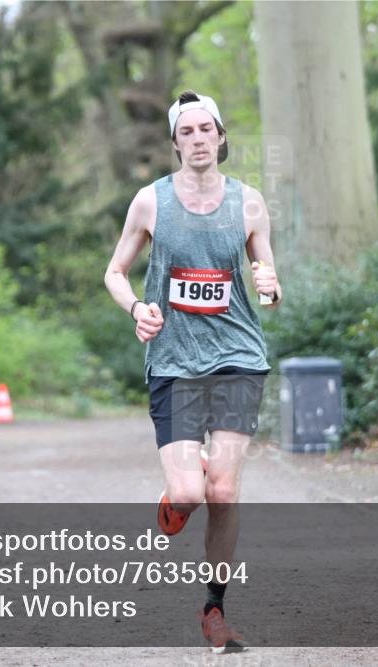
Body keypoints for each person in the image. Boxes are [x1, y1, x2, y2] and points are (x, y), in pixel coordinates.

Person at [104, 90, 281, 653]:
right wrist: (137, 308)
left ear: (221, 137)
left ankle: (214, 609)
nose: (199, 139)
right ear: (176, 141)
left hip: (237, 358)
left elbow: (264, 265)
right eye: (188, 132)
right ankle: (185, 482)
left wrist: (270, 285)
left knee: (224, 491)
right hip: (176, 363)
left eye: (208, 130)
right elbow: (114, 271)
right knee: (189, 493)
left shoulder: (249, 203)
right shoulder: (150, 202)